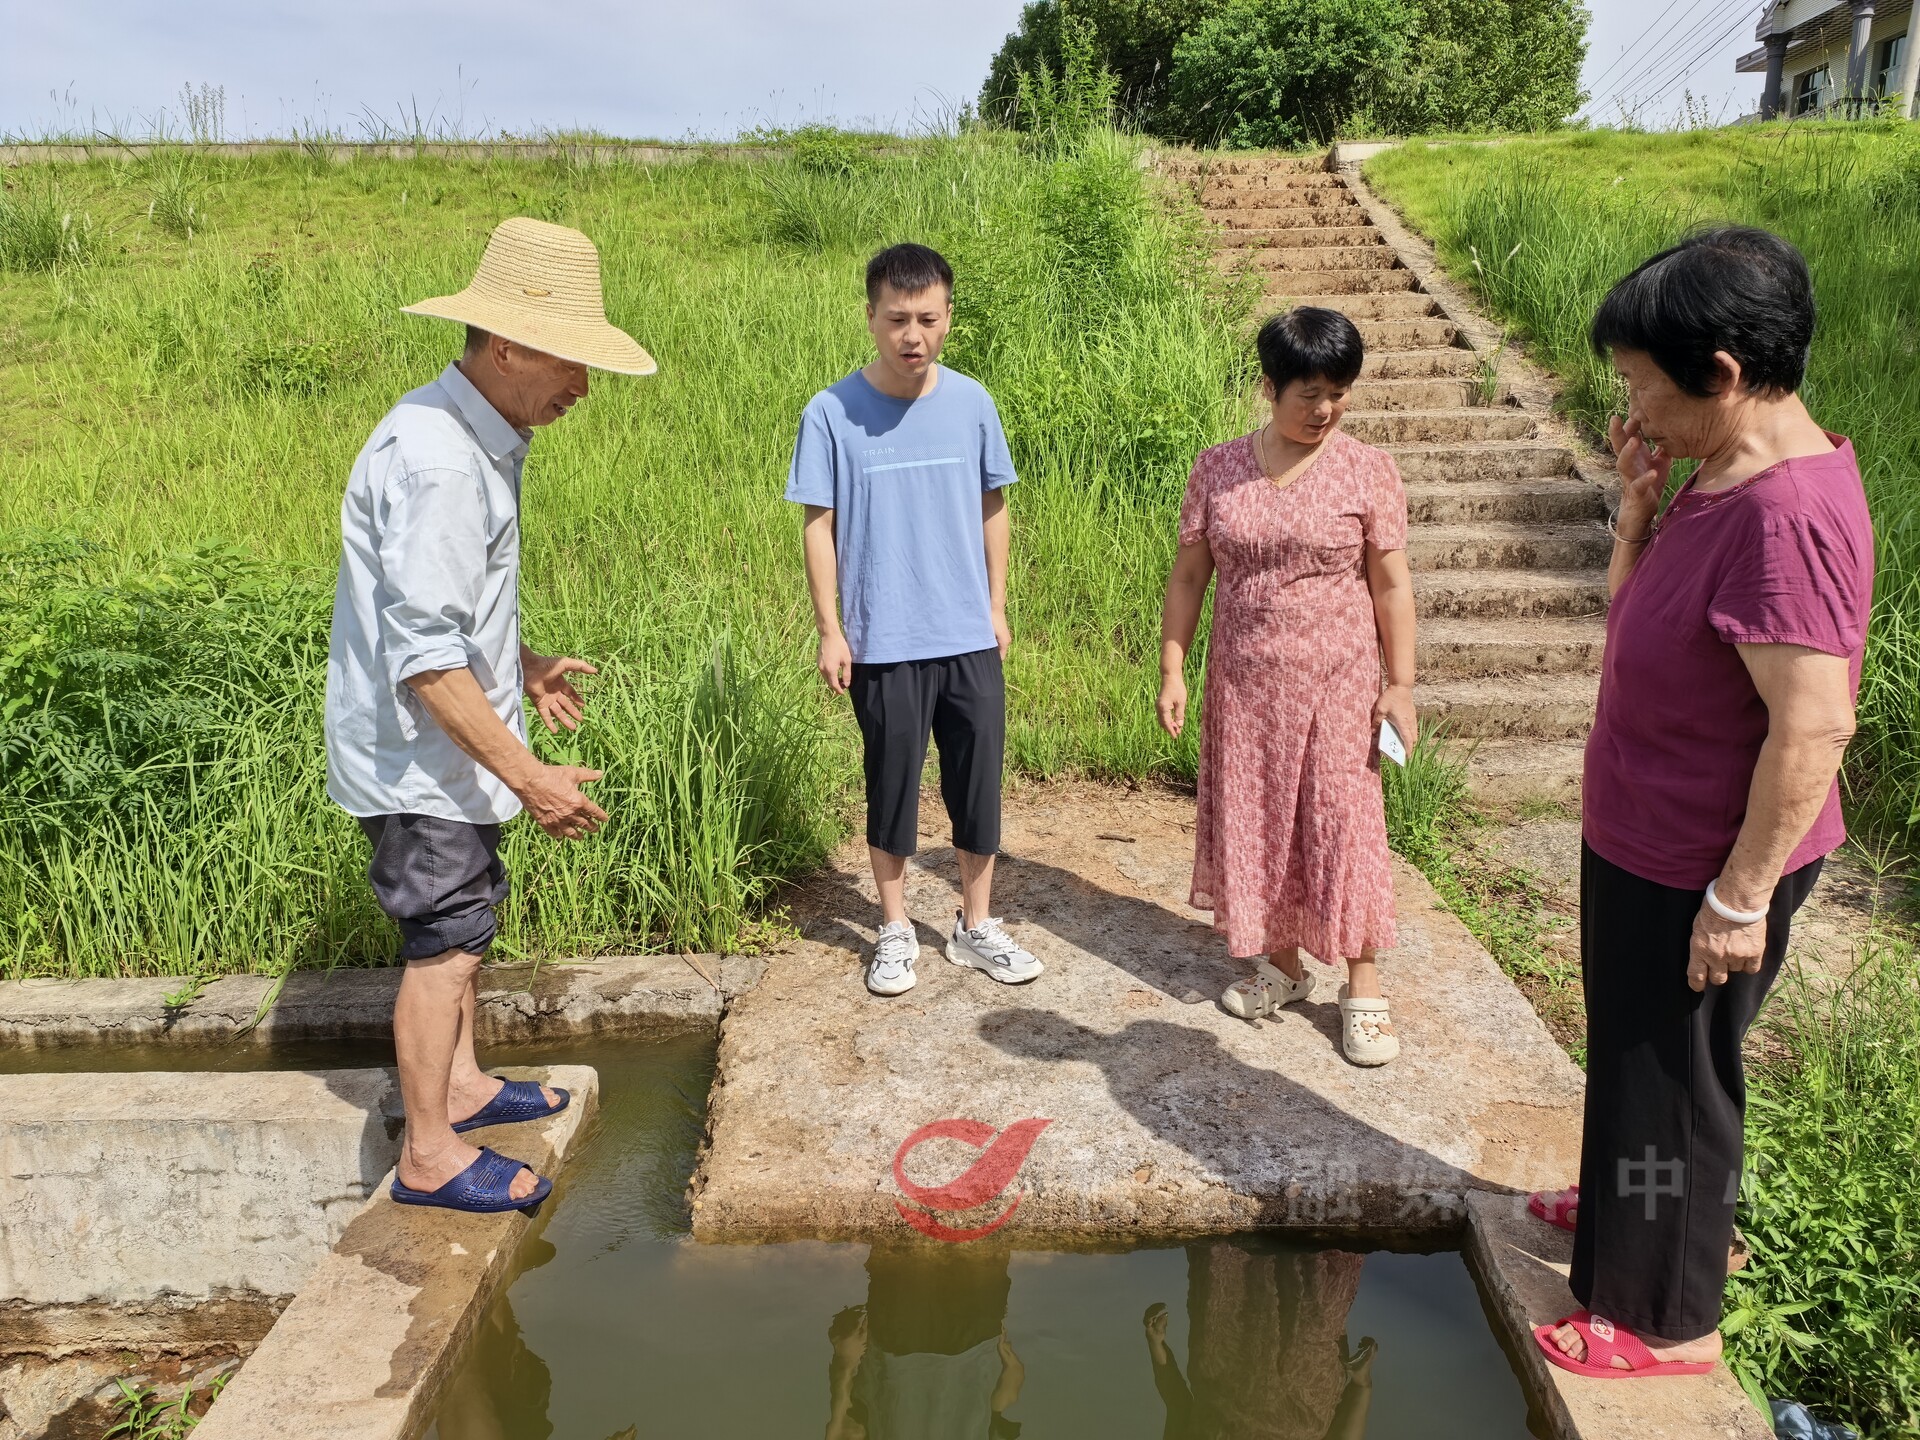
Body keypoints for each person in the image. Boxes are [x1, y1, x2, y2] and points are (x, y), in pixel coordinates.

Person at [1532, 227, 1872, 1378]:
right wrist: (1634, 514)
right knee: (1637, 1057)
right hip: (1648, 830)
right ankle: (1632, 1206)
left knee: (1676, 1079)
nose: (1633, 409)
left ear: (1722, 374)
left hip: (1702, 860)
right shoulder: (1719, 477)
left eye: (1641, 385)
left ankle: (1666, 1318)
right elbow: (1639, 625)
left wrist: (1739, 897)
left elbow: (1816, 723)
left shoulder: (1786, 514)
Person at [325, 217, 656, 1213]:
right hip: (425, 759)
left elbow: (443, 608)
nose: (581, 389)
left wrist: (523, 659)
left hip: (445, 752)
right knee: (447, 945)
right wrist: (529, 774)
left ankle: (463, 1089)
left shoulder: (471, 434)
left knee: (464, 919)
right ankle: (428, 1152)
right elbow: (425, 657)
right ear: (506, 349)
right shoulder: (441, 464)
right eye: (570, 364)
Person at [1156, 307, 1417, 1066]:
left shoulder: (1367, 470)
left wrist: (1400, 684)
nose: (1325, 410)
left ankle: (1362, 987)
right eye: (1309, 394)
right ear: (1269, 387)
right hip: (1242, 686)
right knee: (1258, 817)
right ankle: (1285, 965)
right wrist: (1173, 666)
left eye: (1338, 393)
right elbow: (1190, 575)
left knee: (1343, 821)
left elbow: (1391, 586)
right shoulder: (1218, 468)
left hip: (1338, 682)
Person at [788, 243, 1041, 998]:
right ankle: (895, 928)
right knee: (891, 782)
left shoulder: (973, 403)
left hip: (966, 633)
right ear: (870, 317)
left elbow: (995, 505)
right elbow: (818, 524)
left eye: (928, 319)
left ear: (948, 317)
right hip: (884, 639)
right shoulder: (831, 412)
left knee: (977, 782)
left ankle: (975, 925)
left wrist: (995, 607)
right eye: (897, 319)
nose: (912, 335)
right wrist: (832, 628)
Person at [1143, 1242, 1373, 1440]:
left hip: (1225, 1358)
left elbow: (1177, 1404)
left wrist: (1156, 1343)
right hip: (1302, 1382)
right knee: (1315, 1286)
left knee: (1226, 1263)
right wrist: (1361, 1383)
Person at [825, 1246, 1024, 1440]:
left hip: (910, 1347)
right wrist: (844, 1365)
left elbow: (1005, 1402)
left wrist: (845, 1363)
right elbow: (843, 1429)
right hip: (915, 1348)